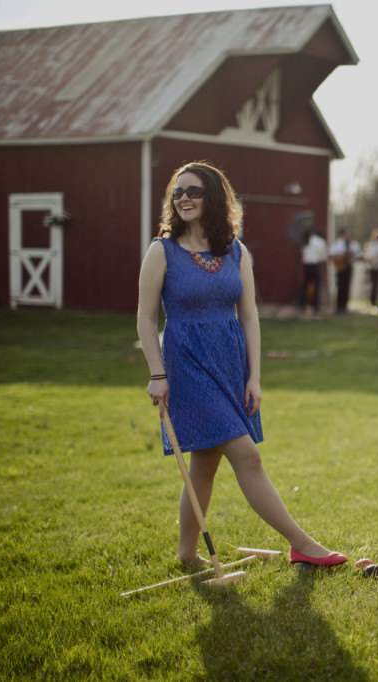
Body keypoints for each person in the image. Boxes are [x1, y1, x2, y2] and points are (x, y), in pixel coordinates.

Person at [137, 161, 346, 569]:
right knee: (247, 456)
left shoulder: (236, 251)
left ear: (213, 197)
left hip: (231, 366)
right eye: (177, 192)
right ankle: (302, 544)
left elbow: (249, 315)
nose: (183, 198)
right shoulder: (161, 251)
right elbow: (146, 318)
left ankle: (186, 553)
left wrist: (254, 376)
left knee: (204, 464)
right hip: (188, 366)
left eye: (193, 191)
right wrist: (157, 374)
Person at [329, 229, 362, 314]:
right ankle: (339, 306)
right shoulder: (338, 244)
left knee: (347, 286)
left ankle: (345, 305)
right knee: (340, 286)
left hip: (349, 267)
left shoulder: (353, 244)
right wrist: (340, 258)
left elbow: (358, 253)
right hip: (341, 268)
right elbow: (331, 253)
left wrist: (352, 256)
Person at [300, 227, 327, 315]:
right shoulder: (320, 242)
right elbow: (323, 257)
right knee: (316, 286)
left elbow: (303, 254)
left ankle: (302, 305)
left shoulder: (306, 241)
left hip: (307, 265)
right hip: (315, 265)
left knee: (305, 285)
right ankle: (315, 306)